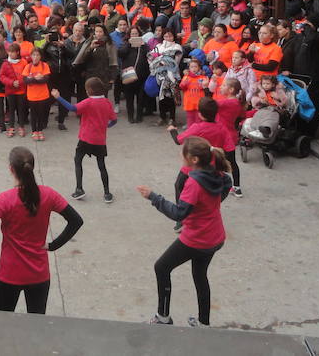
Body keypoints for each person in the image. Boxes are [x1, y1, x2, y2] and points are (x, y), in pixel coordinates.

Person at [0, 146, 83, 314]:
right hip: (39, 274)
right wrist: (52, 246)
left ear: (11, 169)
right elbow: (76, 221)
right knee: (36, 326)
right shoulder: (49, 194)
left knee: (4, 322)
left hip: (9, 274)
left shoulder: (4, 200)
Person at [137, 137, 232, 327]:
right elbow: (228, 184)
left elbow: (178, 213)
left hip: (198, 239)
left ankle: (163, 317)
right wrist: (211, 207)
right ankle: (203, 323)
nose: (180, 155)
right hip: (216, 236)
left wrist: (153, 197)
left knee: (161, 267)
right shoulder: (218, 174)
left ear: (194, 159)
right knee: (199, 275)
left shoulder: (195, 183)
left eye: (183, 153)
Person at [52, 77, 117, 203]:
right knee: (101, 165)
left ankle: (79, 189)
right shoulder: (107, 102)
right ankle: (107, 193)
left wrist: (58, 97)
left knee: (78, 161)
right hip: (100, 140)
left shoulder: (88, 102)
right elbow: (114, 120)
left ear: (90, 90)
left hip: (85, 138)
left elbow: (72, 108)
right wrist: (106, 126)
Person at [22, 48, 51, 142]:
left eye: (37, 55)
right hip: (32, 96)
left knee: (41, 114)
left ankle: (40, 130)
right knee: (33, 114)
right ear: (31, 56)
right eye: (33, 55)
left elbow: (46, 79)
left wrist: (33, 79)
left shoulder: (44, 65)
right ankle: (34, 131)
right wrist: (37, 78)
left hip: (43, 95)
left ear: (40, 56)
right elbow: (25, 80)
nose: (35, 57)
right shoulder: (28, 66)